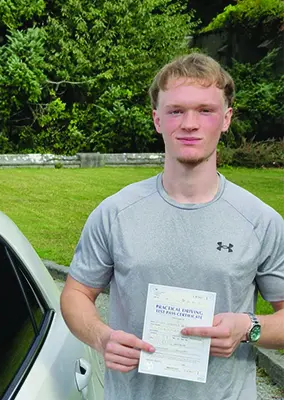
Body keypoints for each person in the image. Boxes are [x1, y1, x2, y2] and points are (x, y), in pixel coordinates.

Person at [60, 53, 284, 400]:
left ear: (226, 118)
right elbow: (76, 294)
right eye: (176, 111)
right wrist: (101, 338)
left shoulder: (260, 221)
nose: (190, 124)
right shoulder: (115, 213)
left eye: (205, 110)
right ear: (157, 120)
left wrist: (249, 328)